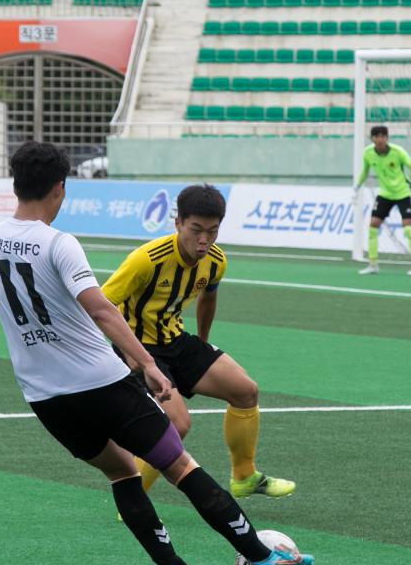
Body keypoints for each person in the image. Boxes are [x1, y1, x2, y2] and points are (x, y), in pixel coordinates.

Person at [0, 141, 313, 565]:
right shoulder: (59, 243)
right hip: (103, 382)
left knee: (122, 473)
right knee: (180, 466)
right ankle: (262, 559)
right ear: (59, 190)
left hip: (44, 397)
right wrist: (146, 364)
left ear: (16, 184)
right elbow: (104, 310)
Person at [101, 184, 295, 502]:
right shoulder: (146, 260)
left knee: (246, 391)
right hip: (138, 348)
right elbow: (101, 305)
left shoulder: (216, 261)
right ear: (178, 223)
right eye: (196, 230)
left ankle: (245, 477)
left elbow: (208, 298)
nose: (204, 240)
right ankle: (133, 499)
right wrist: (126, 351)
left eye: (212, 231)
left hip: (178, 342)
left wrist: (203, 346)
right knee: (177, 424)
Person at [355, 125, 411, 276]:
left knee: (408, 229)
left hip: (403, 193)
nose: (380, 139)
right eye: (376, 136)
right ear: (372, 138)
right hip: (385, 194)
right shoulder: (368, 153)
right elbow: (365, 171)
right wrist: (356, 187)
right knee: (373, 226)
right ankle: (373, 265)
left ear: (387, 138)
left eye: (383, 136)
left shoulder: (398, 152)